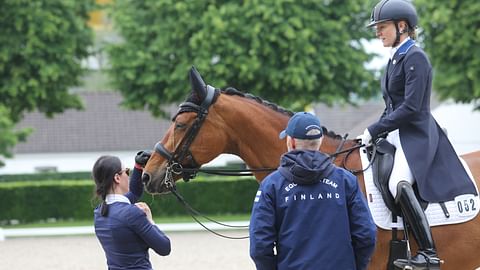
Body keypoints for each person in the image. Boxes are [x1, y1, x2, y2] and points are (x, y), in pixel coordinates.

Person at [360, 0, 478, 269]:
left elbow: (412, 108)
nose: (378, 32)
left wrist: (375, 129)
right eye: (377, 27)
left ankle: (428, 253)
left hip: (417, 135)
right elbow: (391, 106)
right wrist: (373, 133)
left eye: (382, 26)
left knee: (398, 183)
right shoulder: (394, 59)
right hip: (396, 134)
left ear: (402, 26)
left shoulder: (415, 57)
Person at [249, 112, 377, 270]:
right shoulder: (346, 181)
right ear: (320, 141)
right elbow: (366, 235)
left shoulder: (271, 185)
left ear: (292, 142)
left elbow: (260, 246)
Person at [92, 151, 171, 270]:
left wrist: (138, 166)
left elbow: (134, 192)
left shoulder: (99, 213)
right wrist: (150, 220)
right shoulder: (131, 213)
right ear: (117, 178)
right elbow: (164, 247)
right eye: (127, 172)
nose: (128, 175)